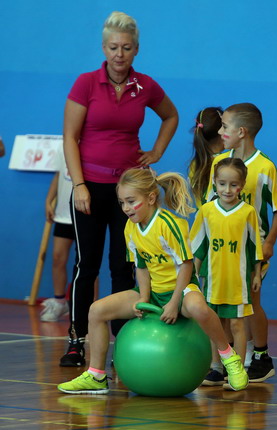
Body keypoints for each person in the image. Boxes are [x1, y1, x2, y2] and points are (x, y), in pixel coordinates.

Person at [57, 168, 248, 394]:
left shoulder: (169, 224)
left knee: (199, 308)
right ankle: (96, 375)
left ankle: (229, 358)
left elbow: (186, 266)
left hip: (181, 290)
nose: (126, 208)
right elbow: (141, 266)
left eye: (131, 201)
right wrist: (144, 299)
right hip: (153, 292)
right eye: (122, 202)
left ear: (150, 198)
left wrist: (174, 302)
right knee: (96, 310)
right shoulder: (131, 227)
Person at [60, 11, 178, 367]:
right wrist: (79, 185)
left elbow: (170, 115)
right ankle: (77, 339)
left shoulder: (146, 86)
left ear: (136, 49)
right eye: (113, 47)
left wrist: (156, 152)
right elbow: (70, 137)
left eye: (126, 47)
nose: (119, 54)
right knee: (86, 264)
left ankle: (124, 340)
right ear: (104, 48)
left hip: (129, 191)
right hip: (90, 188)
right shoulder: (85, 83)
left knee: (124, 265)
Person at [205, 103, 277, 383]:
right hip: (222, 249)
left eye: (225, 126)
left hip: (251, 249)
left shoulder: (265, 167)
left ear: (241, 132)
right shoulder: (219, 163)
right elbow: (209, 205)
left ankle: (262, 356)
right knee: (223, 306)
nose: (220, 131)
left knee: (250, 302)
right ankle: (226, 362)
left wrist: (269, 242)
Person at [190, 158, 263, 385]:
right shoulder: (206, 211)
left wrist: (257, 273)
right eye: (222, 184)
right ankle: (216, 367)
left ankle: (237, 370)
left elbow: (255, 247)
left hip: (238, 281)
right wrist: (193, 278)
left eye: (233, 184)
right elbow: (198, 247)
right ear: (214, 182)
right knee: (215, 324)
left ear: (242, 185)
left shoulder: (248, 212)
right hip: (213, 280)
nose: (227, 189)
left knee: (237, 324)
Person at [41, 148, 98, 322]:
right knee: (58, 257)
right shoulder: (62, 148)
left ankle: (91, 308)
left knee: (87, 262)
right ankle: (60, 302)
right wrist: (49, 200)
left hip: (85, 211)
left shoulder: (93, 147)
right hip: (64, 215)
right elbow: (59, 176)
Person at [188, 107, 224, 209]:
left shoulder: (195, 163)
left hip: (202, 217)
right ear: (221, 132)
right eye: (226, 127)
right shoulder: (225, 163)